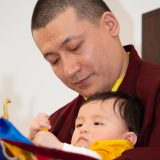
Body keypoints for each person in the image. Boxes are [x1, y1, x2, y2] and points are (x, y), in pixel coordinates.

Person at [29, 0, 160, 159]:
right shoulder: (55, 126)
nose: (69, 70)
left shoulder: (155, 88)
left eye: (75, 47)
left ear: (110, 25)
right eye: (54, 60)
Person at [30, 92, 144, 160]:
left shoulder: (118, 147)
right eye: (79, 125)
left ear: (128, 138)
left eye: (97, 123)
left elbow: (94, 158)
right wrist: (32, 139)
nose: (83, 129)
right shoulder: (72, 150)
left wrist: (59, 146)